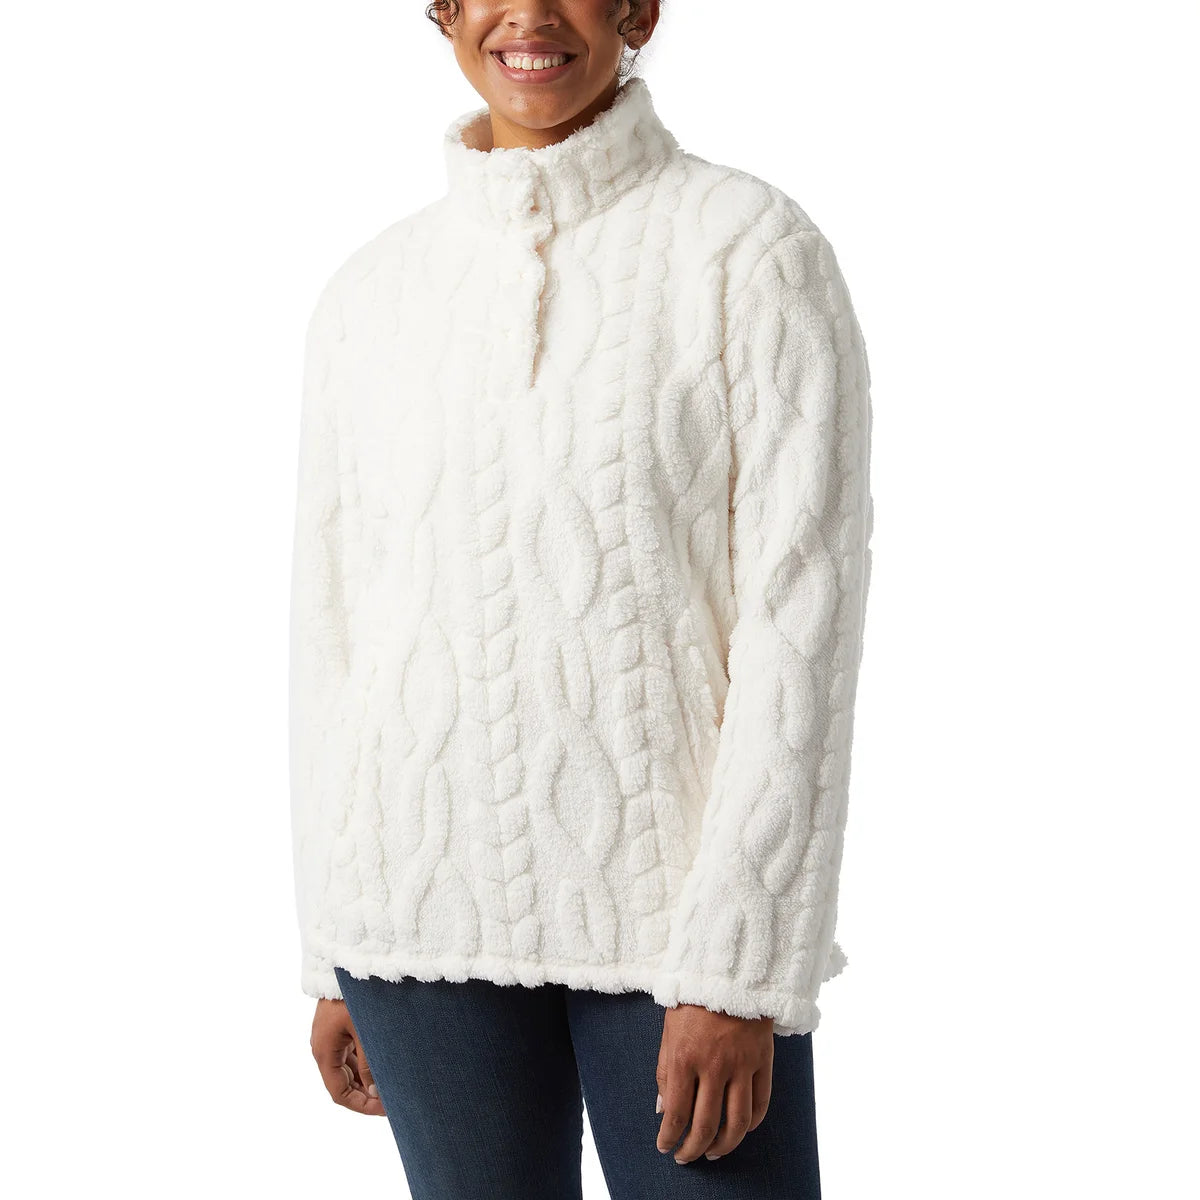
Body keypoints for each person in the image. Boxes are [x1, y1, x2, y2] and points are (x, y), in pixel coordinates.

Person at [287, 2, 873, 1196]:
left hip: (678, 931)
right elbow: (333, 634)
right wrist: (331, 947)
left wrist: (741, 959)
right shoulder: (369, 294)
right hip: (412, 920)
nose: (530, 15)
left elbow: (801, 623)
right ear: (444, 10)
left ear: (637, 8)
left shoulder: (751, 251)